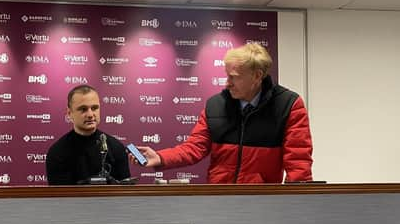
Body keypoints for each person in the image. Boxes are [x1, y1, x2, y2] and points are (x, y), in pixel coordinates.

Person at [133, 42, 313, 184]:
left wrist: (296, 204)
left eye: (233, 77)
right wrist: (160, 157)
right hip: (219, 200)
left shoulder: (288, 105)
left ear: (257, 76)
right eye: (227, 75)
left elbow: (298, 163)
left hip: (262, 203)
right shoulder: (215, 105)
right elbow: (194, 148)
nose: (227, 83)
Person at [46, 85, 131, 185]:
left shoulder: (116, 148)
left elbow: (125, 193)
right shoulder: (57, 152)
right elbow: (59, 197)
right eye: (83, 109)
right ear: (69, 113)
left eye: (94, 108)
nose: (90, 114)